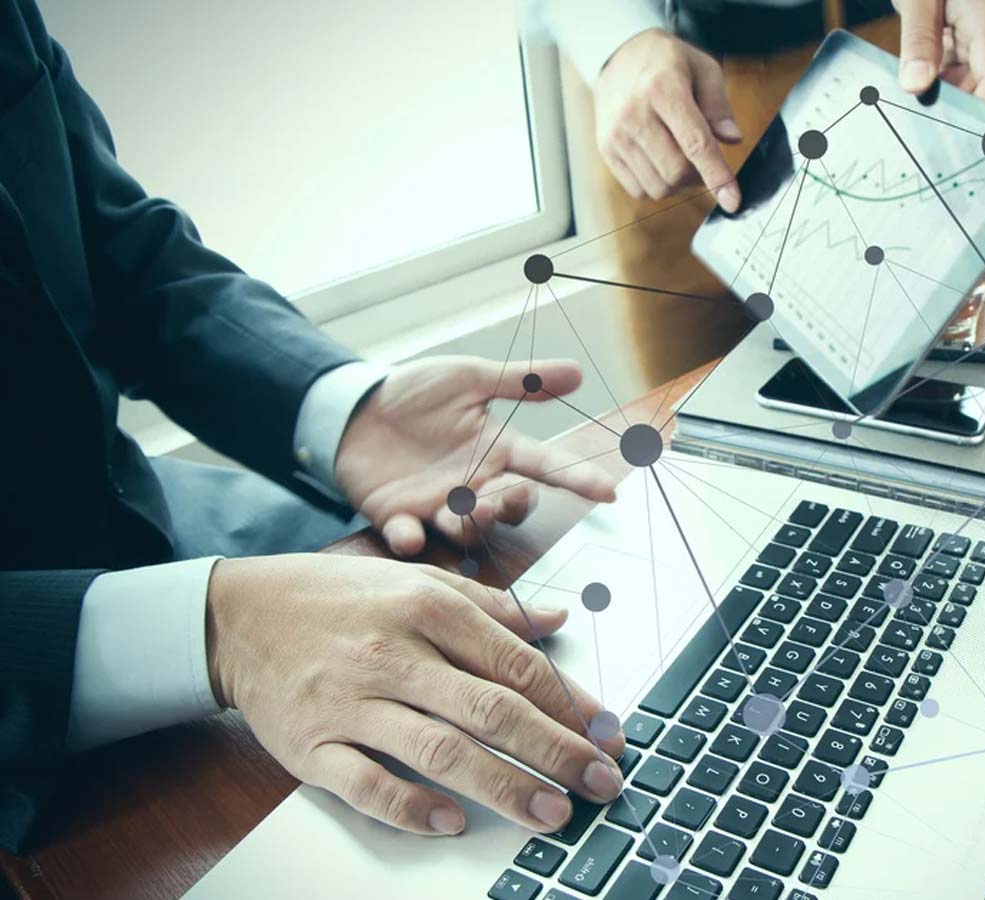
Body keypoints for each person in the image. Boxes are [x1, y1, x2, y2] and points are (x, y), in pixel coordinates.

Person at [0, 0, 625, 854]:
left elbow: (125, 256)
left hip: (136, 511)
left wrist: (347, 413)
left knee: (493, 589)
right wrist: (215, 628)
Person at [540, 0, 985, 212]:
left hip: (892, 55)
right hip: (653, 98)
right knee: (681, 408)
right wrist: (609, 34)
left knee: (921, 388)